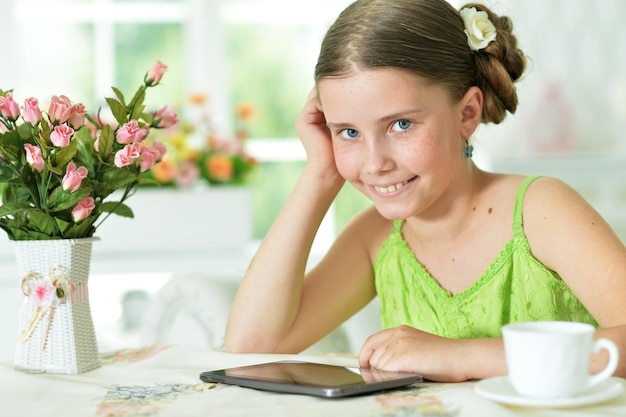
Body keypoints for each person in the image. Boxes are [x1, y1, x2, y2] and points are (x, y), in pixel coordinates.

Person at [224, 0, 626, 382]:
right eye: (348, 132)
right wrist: (320, 173)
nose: (374, 162)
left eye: (400, 124)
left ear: (467, 113)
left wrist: (459, 356)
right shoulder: (376, 239)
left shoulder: (541, 212)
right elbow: (249, 347)